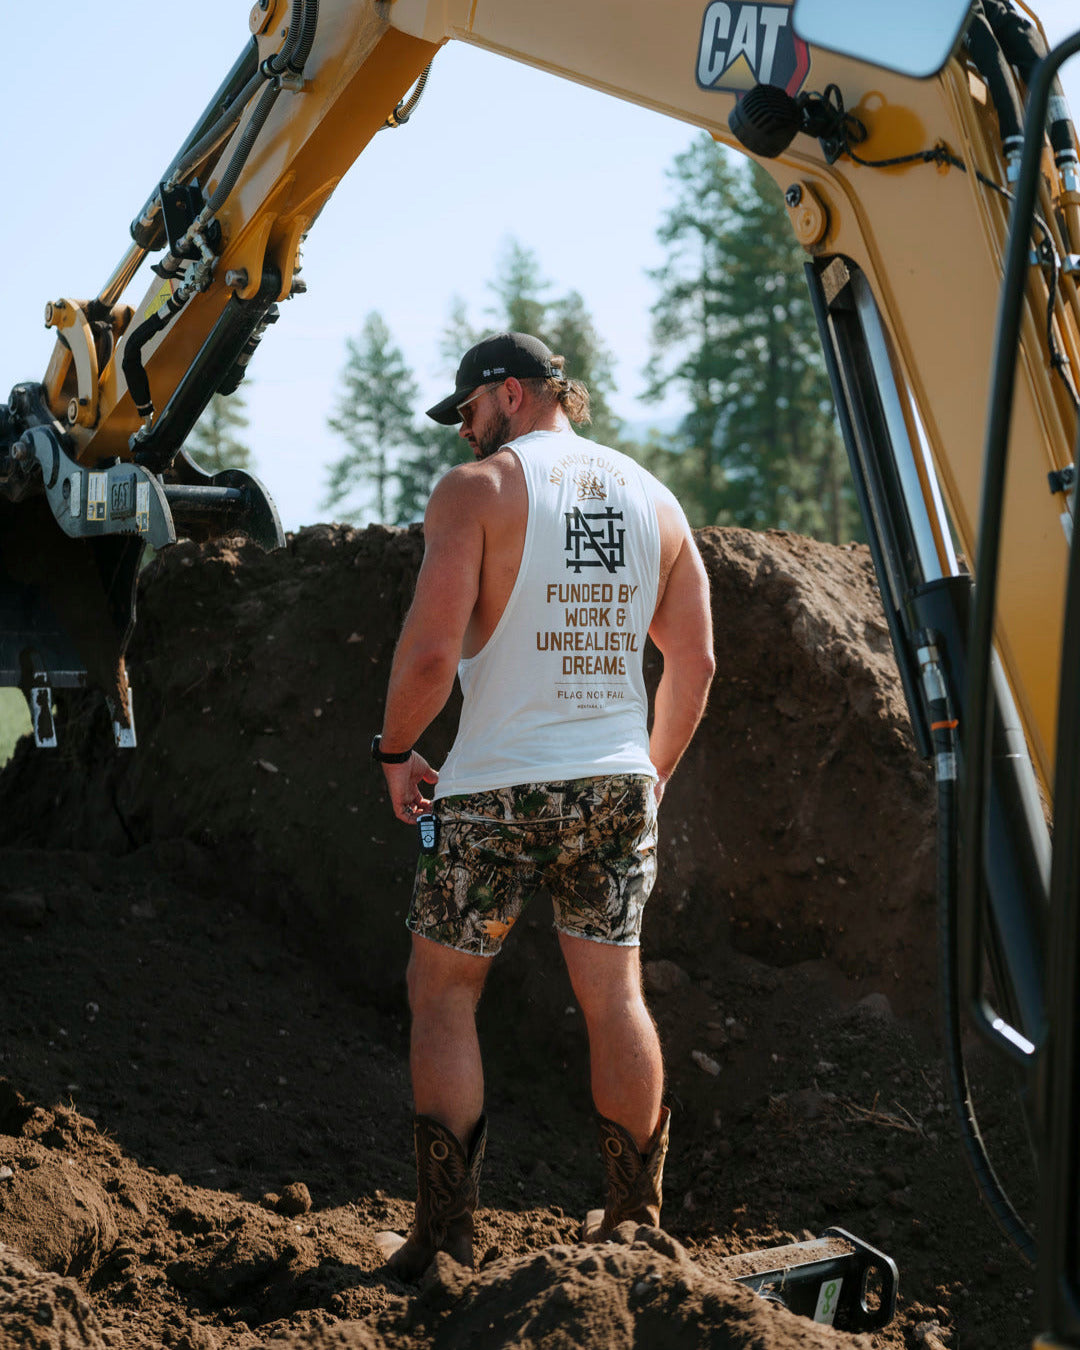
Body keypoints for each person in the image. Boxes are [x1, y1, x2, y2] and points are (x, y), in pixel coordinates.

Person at [373, 332, 715, 1281]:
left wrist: (397, 752)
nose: (468, 431)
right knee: (617, 999)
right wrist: (648, 773)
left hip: (489, 789)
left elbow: (434, 654)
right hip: (612, 784)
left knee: (442, 990)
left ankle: (446, 1237)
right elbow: (694, 661)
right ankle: (636, 1227)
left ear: (511, 395)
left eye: (471, 411)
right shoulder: (657, 500)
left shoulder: (476, 492)